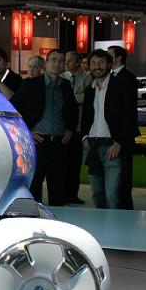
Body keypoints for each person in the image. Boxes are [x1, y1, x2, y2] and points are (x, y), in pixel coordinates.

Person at [10, 49, 78, 206]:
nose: (57, 64)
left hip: (60, 144)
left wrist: (70, 129)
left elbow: (73, 111)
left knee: (58, 190)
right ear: (46, 64)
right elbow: (13, 109)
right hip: (38, 144)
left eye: (61, 61)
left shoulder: (66, 86)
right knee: (34, 189)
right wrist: (27, 131)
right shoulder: (31, 84)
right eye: (53, 60)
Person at [81, 49, 137, 209]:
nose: (97, 66)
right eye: (93, 63)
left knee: (113, 195)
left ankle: (116, 225)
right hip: (92, 146)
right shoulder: (90, 89)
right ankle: (102, 225)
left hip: (112, 146)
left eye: (101, 62)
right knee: (97, 195)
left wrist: (119, 143)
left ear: (109, 65)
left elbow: (130, 117)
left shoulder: (121, 86)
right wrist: (84, 138)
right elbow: (86, 117)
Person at [108, 45, 139, 210]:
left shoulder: (127, 77)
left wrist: (121, 139)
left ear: (118, 57)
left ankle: (125, 209)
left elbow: (129, 110)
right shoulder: (111, 76)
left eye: (109, 56)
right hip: (113, 133)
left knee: (124, 175)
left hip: (124, 134)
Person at [61, 51, 91, 204]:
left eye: (70, 60)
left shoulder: (87, 79)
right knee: (62, 164)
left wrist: (72, 97)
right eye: (65, 60)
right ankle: (61, 193)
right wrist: (76, 97)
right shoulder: (60, 77)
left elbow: (88, 98)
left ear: (78, 63)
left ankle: (72, 194)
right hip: (61, 126)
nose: (66, 63)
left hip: (78, 126)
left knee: (75, 163)